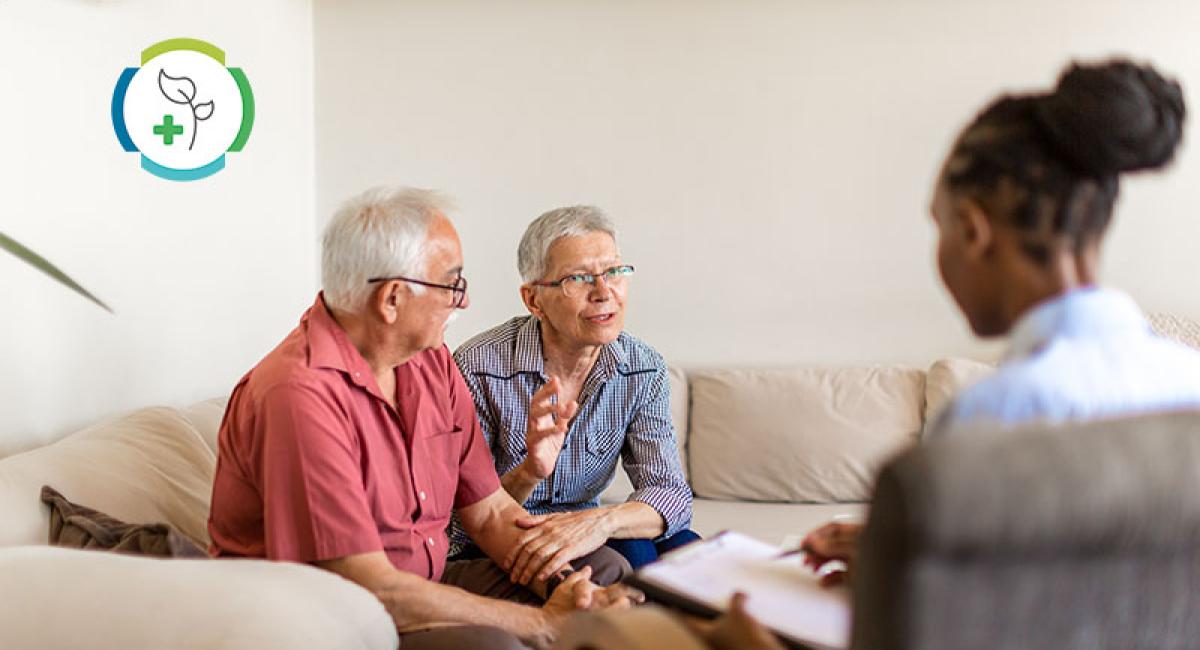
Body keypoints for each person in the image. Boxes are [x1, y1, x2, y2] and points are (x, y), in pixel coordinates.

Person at [802, 57, 1200, 592]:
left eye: (938, 226)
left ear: (972, 230)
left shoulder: (990, 420)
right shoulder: (1188, 381)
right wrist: (895, 555)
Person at [207, 187, 636, 650]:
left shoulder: (430, 362)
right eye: (452, 284)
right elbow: (368, 586)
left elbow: (490, 512)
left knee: (603, 572)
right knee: (494, 645)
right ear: (392, 298)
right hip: (328, 619)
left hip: (418, 583)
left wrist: (567, 590)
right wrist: (544, 623)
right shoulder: (299, 393)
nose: (463, 302)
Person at [451, 205, 698, 574]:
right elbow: (462, 523)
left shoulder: (642, 367)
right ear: (534, 299)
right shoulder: (479, 366)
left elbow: (671, 495)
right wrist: (530, 472)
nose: (603, 292)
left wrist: (600, 523)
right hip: (500, 536)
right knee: (632, 559)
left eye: (614, 271)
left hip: (585, 530)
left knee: (688, 549)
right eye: (579, 278)